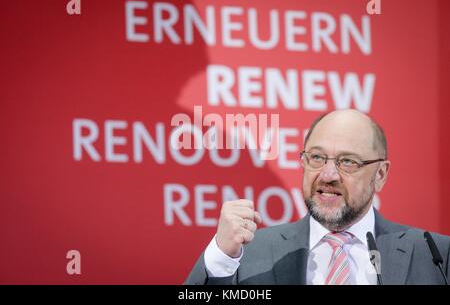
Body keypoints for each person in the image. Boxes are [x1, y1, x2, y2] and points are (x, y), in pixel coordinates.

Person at [185, 109, 450, 285]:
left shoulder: (435, 254)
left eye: (348, 161)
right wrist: (220, 257)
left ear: (380, 174)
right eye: (317, 157)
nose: (327, 174)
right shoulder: (250, 253)